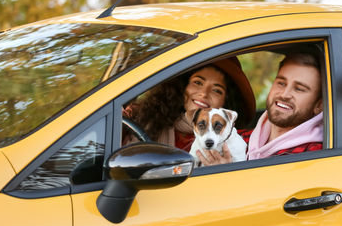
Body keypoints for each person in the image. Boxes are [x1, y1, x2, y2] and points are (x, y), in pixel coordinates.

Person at [198, 52, 324, 165]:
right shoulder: (239, 138)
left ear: (319, 105)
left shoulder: (313, 157)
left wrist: (225, 176)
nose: (284, 94)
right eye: (281, 83)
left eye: (299, 89)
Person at [125, 57, 254, 150]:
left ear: (226, 102)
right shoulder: (144, 118)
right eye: (198, 82)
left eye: (216, 90)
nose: (204, 93)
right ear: (182, 87)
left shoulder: (233, 142)